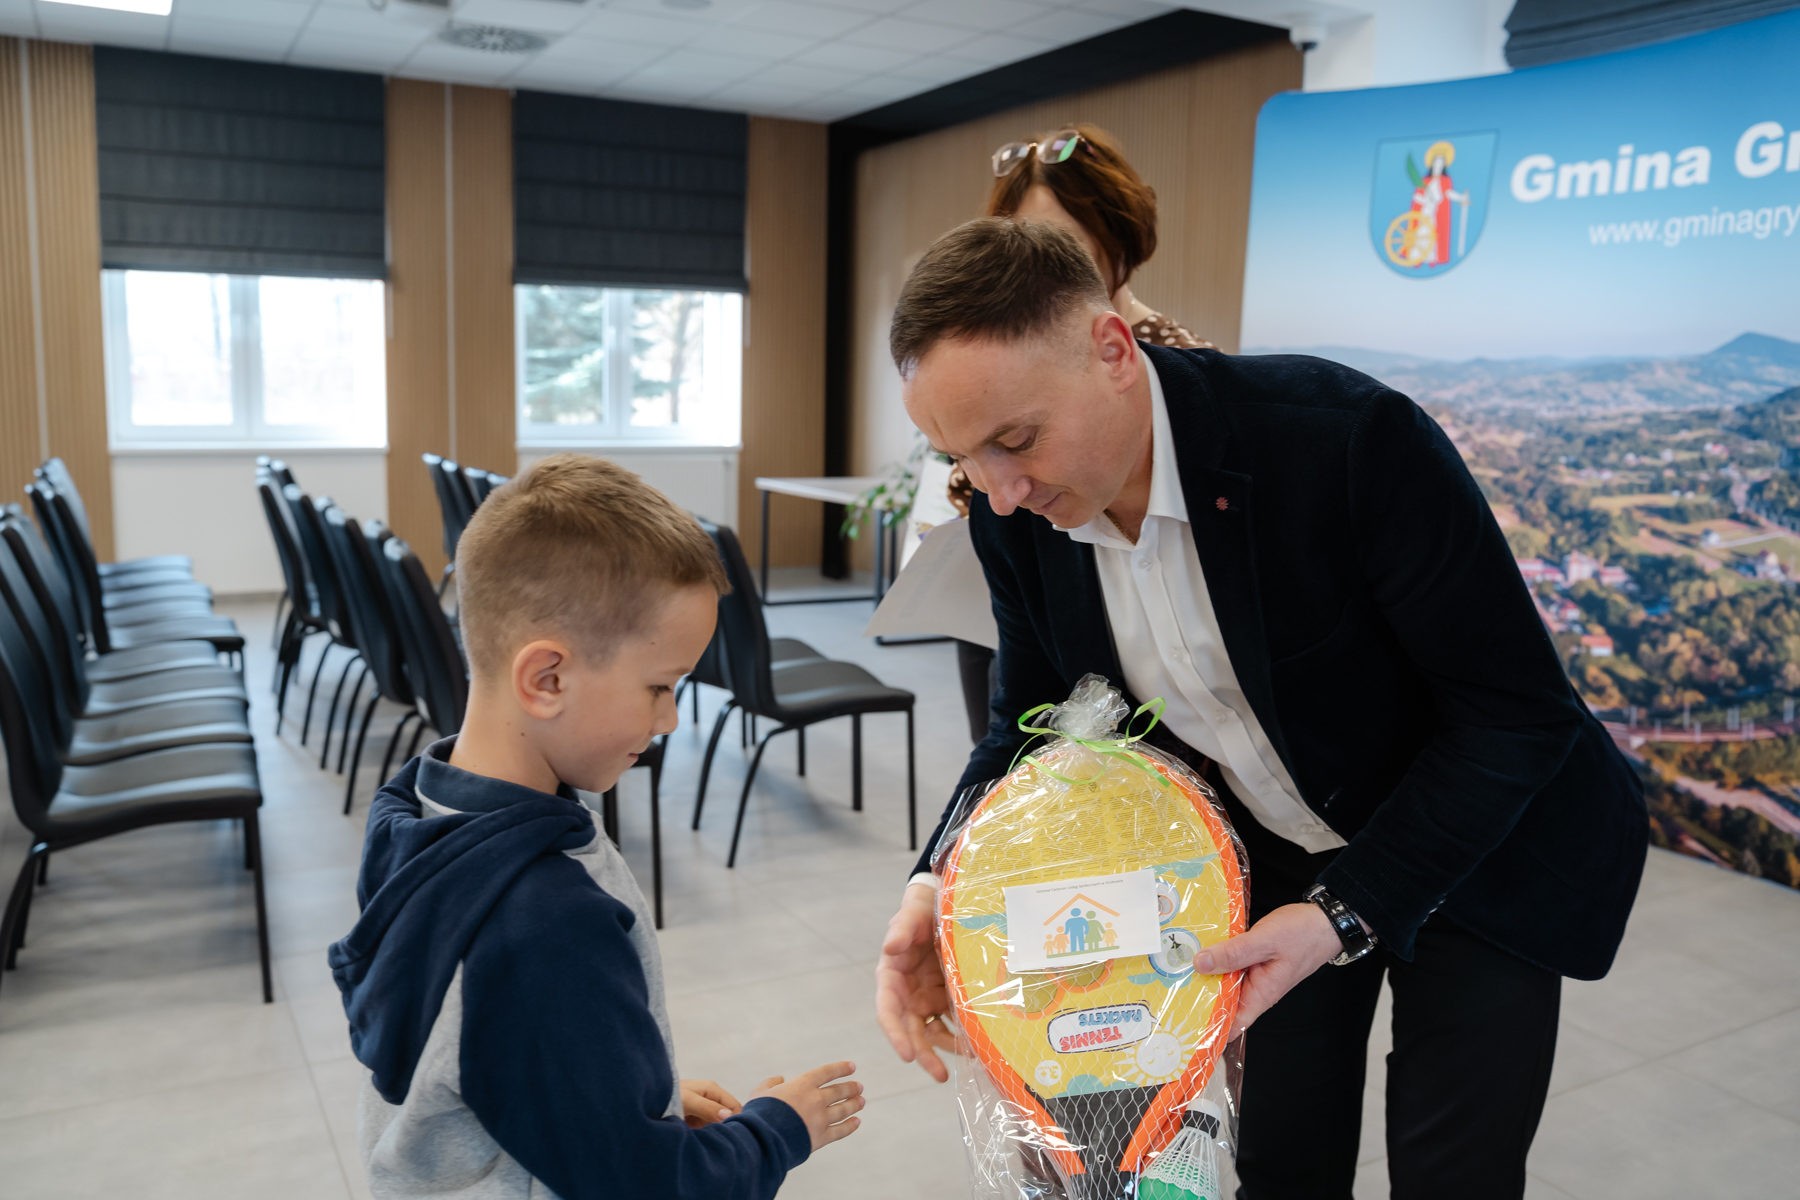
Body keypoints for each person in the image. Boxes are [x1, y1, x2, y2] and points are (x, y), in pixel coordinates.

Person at [873, 220, 1647, 1200]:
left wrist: (1345, 913)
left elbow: (1515, 717)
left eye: (1016, 440)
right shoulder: (1014, 519)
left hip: (1482, 846)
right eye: (964, 456)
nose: (1000, 489)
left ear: (1113, 351)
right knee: (1279, 1162)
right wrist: (936, 884)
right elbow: (1027, 722)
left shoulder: (1343, 441)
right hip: (1273, 860)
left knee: (1457, 1174)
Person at [330, 454, 864, 1200]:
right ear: (546, 679)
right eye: (659, 687)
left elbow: (490, 1052)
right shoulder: (544, 923)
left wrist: (614, 1097)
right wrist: (778, 1130)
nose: (669, 719)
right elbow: (652, 1188)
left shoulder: (417, 811)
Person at [941, 124, 1215, 743]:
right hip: (1012, 605)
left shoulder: (1182, 363)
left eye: (1061, 245)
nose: (1037, 269)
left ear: (1115, 237)